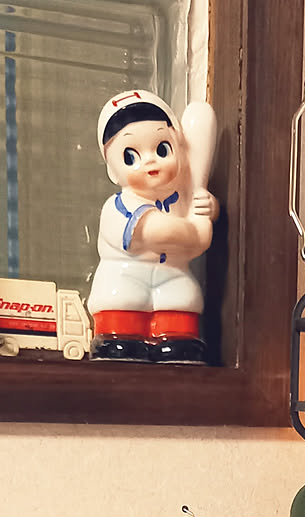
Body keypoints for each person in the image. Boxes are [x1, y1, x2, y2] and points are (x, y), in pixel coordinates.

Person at [87, 90, 217, 363]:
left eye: (162, 150)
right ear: (113, 171)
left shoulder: (181, 198)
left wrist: (207, 206)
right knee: (124, 306)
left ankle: (177, 339)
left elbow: (200, 224)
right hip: (126, 278)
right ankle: (120, 339)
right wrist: (193, 230)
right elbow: (157, 232)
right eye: (131, 157)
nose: (150, 161)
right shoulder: (117, 207)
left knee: (181, 302)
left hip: (173, 276)